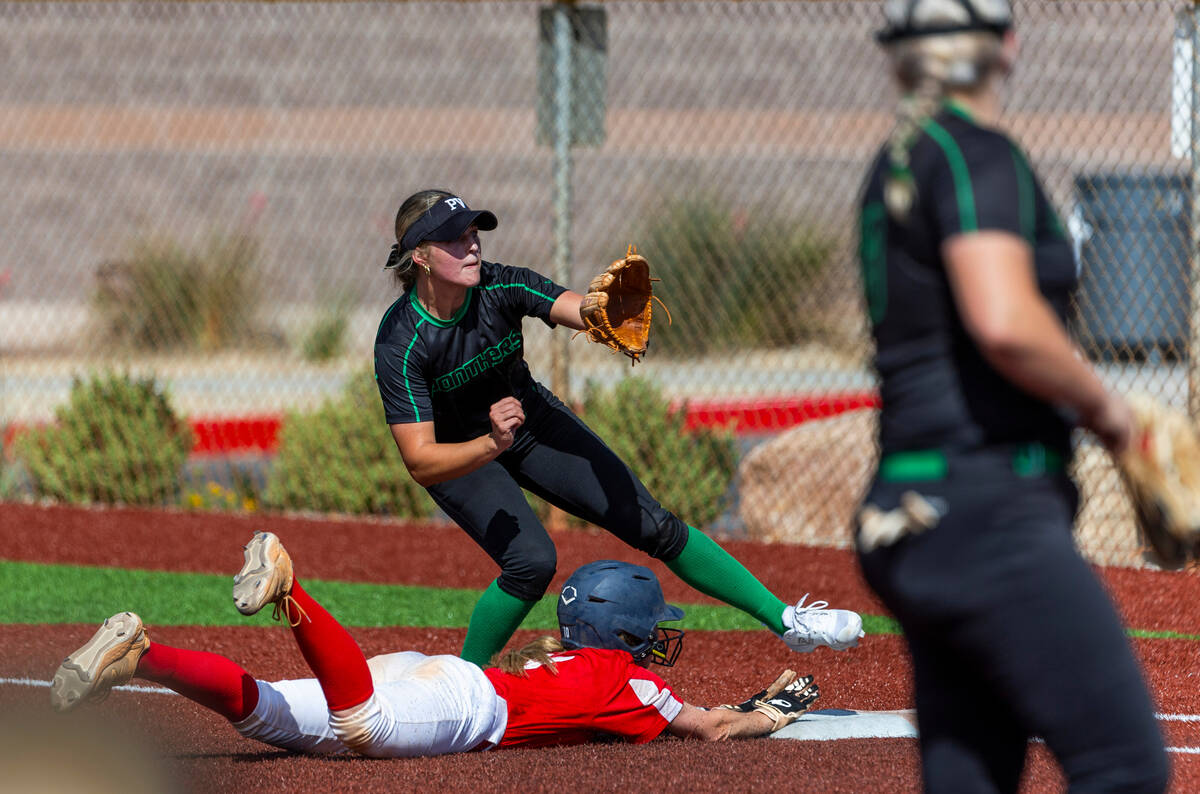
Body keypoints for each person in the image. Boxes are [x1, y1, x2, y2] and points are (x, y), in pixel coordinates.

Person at [853, 1, 1168, 791]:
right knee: (1123, 765)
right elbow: (1005, 323)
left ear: (900, 56)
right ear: (1008, 48)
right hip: (985, 504)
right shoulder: (974, 153)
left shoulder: (897, 163)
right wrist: (1116, 416)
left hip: (916, 505)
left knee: (971, 776)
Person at [373, 188, 863, 666]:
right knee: (531, 561)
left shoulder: (501, 285)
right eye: (454, 238)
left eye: (474, 231)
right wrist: (488, 442)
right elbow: (420, 459)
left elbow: (573, 306)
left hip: (528, 421)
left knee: (652, 523)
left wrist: (598, 313)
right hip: (459, 453)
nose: (472, 244)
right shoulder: (401, 341)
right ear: (419, 256)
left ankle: (788, 621)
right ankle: (467, 683)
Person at [50, 532, 818, 755]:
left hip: (445, 675)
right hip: (460, 705)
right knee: (364, 725)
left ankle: (143, 655)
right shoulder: (631, 681)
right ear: (626, 634)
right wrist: (766, 714)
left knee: (273, 716)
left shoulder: (559, 653)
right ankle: (292, 589)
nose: (657, 645)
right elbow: (712, 725)